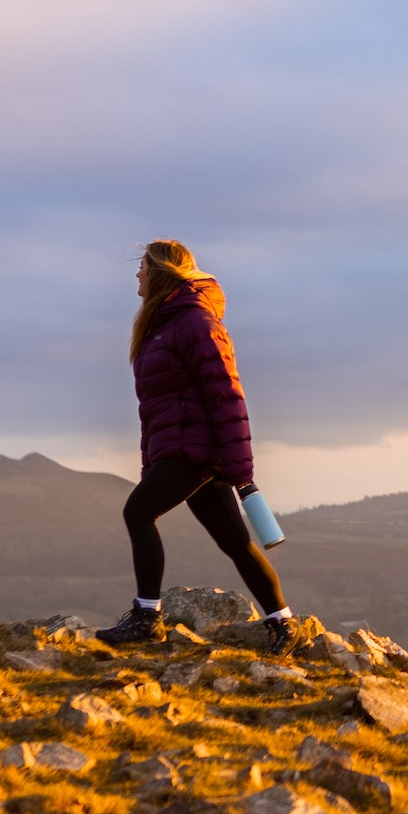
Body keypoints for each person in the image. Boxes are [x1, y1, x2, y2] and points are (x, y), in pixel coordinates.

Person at [99, 240, 295, 648]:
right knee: (235, 542)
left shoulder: (195, 322)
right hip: (184, 446)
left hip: (196, 449)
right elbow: (157, 407)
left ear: (161, 271)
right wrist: (152, 461)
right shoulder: (163, 324)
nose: (137, 274)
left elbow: (225, 392)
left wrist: (240, 467)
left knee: (138, 512)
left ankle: (146, 616)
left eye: (142, 267)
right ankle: (284, 625)